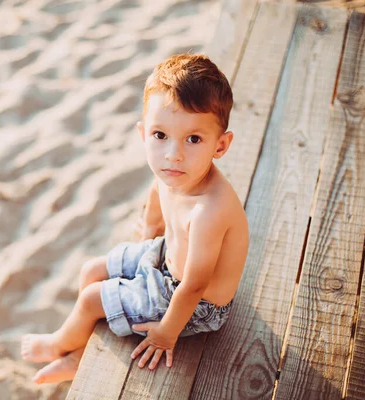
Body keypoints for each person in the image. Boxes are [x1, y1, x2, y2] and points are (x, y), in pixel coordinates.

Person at [21, 53, 250, 384]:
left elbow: (196, 284)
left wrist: (166, 334)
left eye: (194, 139)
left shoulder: (210, 210)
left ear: (221, 145)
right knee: (91, 271)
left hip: (197, 305)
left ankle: (65, 349)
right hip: (166, 261)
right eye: (161, 135)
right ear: (144, 134)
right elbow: (156, 194)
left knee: (90, 299)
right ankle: (82, 343)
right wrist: (150, 228)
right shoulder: (176, 171)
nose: (173, 153)